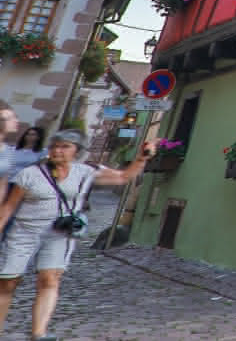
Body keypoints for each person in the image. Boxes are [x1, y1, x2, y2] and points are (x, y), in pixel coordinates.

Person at [0, 130, 154, 340]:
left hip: (60, 234)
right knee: (8, 281)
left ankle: (39, 333)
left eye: (65, 147)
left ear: (77, 151)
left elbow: (123, 177)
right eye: (55, 146)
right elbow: (8, 207)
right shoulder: (30, 173)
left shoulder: (86, 171)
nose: (58, 151)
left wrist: (141, 159)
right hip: (25, 232)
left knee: (50, 279)